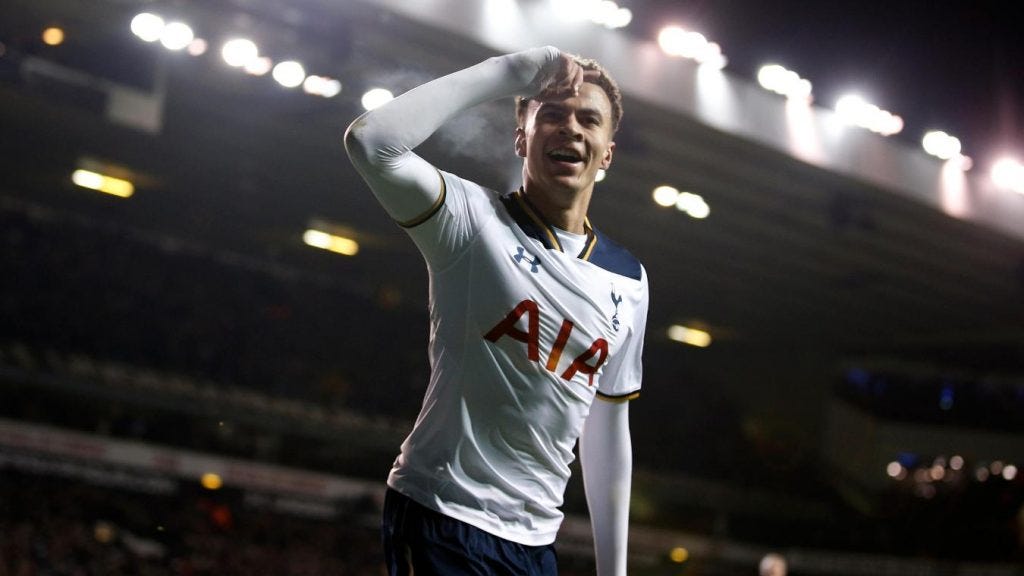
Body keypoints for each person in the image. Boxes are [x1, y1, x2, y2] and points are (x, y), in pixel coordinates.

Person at [344, 46, 649, 576]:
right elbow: (371, 143)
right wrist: (512, 72)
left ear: (607, 154)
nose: (570, 128)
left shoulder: (629, 280)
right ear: (521, 138)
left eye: (588, 119)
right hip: (443, 515)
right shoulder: (471, 220)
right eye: (551, 114)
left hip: (534, 541)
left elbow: (606, 425)